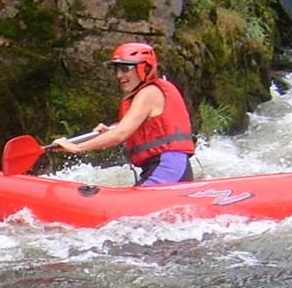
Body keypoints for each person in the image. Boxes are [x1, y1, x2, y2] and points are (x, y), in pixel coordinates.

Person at [52, 42, 195, 186]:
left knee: (132, 208)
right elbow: (128, 128)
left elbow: (121, 134)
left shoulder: (149, 93)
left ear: (144, 68)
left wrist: (77, 148)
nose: (119, 75)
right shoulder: (144, 94)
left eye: (125, 68)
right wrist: (109, 131)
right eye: (117, 69)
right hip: (162, 167)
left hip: (169, 167)